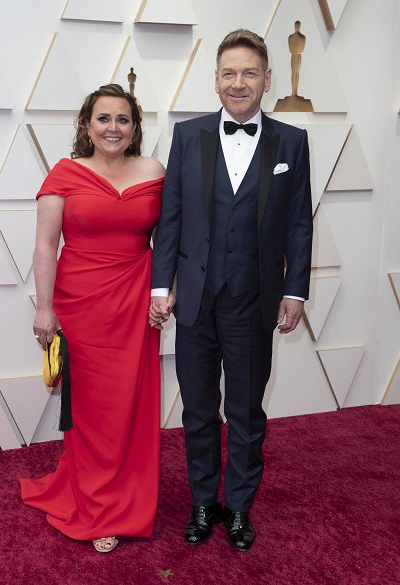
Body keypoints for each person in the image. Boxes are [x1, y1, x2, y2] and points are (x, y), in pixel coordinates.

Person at [149, 29, 312, 551]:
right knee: (198, 409)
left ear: (267, 79)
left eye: (248, 73)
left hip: (254, 300)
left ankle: (239, 507)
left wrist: (296, 290)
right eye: (228, 73)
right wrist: (160, 286)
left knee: (244, 411)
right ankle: (204, 502)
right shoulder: (188, 137)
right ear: (215, 81)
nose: (238, 82)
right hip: (195, 299)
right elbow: (170, 217)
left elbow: (298, 225)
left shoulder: (291, 141)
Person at [20, 83, 166, 553]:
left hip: (136, 302)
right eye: (104, 118)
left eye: (123, 119)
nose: (113, 128)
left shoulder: (155, 171)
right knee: (94, 410)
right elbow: (45, 246)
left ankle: (130, 496)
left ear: (135, 127)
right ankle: (99, 506)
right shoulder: (65, 173)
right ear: (87, 125)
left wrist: (166, 295)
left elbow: (171, 239)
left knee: (132, 403)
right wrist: (45, 309)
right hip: (81, 303)